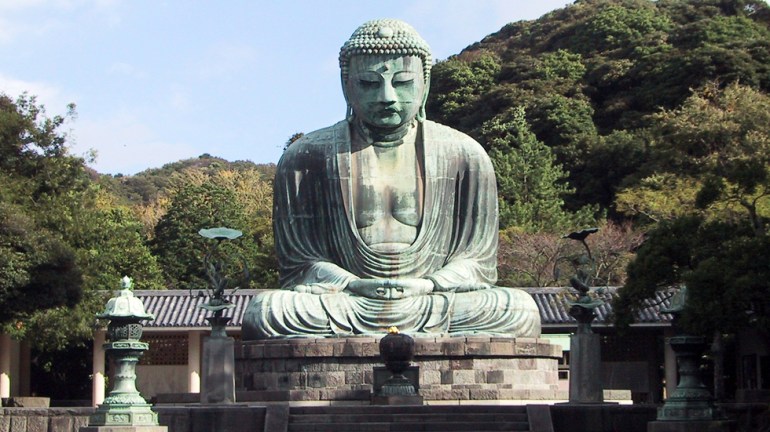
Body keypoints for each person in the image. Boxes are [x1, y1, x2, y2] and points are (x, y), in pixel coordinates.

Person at [242, 19, 540, 339]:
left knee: (517, 309)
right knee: (268, 311)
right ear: (347, 85)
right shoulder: (306, 158)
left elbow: (477, 262)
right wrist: (352, 283)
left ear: (425, 84)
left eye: (403, 82)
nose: (386, 96)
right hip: (347, 300)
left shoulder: (464, 155)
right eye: (370, 83)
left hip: (432, 299)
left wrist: (428, 284)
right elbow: (300, 265)